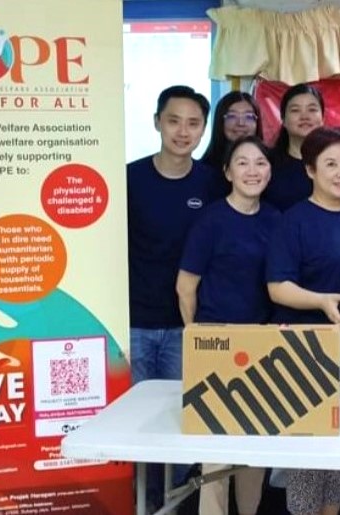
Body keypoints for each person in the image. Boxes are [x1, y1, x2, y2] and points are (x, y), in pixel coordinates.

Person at [266, 127, 340, 515]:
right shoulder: (293, 221)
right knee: (309, 451)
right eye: (331, 164)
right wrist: (321, 301)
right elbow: (277, 287)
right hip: (307, 352)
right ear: (310, 170)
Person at [176, 135, 280, 515]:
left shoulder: (275, 219)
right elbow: (186, 286)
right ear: (227, 171)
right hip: (216, 341)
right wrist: (196, 336)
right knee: (217, 452)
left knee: (255, 444)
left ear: (270, 171)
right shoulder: (211, 220)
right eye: (242, 162)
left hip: (262, 343)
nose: (252, 170)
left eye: (260, 163)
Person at [126, 84, 212, 509]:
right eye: (174, 120)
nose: (183, 131)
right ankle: (144, 504)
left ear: (203, 131)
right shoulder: (129, 179)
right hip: (135, 323)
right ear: (157, 121)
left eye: (193, 123)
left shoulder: (212, 184)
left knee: (182, 424)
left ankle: (174, 505)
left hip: (185, 326)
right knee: (139, 424)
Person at [264, 83, 325, 211]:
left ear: (323, 118)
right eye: (295, 110)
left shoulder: (334, 163)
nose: (304, 116)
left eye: (312, 109)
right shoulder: (266, 163)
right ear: (283, 120)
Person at [201, 91, 264, 199]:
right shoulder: (204, 171)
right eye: (232, 116)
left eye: (249, 116)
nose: (241, 123)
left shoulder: (269, 164)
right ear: (220, 121)